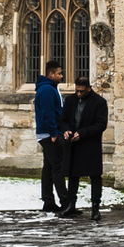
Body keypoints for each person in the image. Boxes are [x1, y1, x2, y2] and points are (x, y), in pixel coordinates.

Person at [55, 77, 108, 220]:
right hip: (73, 143)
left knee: (95, 176)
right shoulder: (71, 100)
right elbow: (63, 120)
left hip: (90, 144)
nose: (79, 94)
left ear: (89, 88)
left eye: (82, 91)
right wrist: (66, 130)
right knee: (73, 175)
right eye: (77, 91)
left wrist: (83, 133)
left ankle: (95, 208)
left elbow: (101, 124)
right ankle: (71, 205)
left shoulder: (99, 102)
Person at [34, 61, 65, 213]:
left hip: (47, 133)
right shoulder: (47, 90)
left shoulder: (51, 88)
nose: (61, 76)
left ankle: (48, 201)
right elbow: (48, 113)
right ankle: (65, 201)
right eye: (59, 73)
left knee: (48, 168)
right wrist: (53, 133)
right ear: (51, 74)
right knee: (57, 167)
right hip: (49, 134)